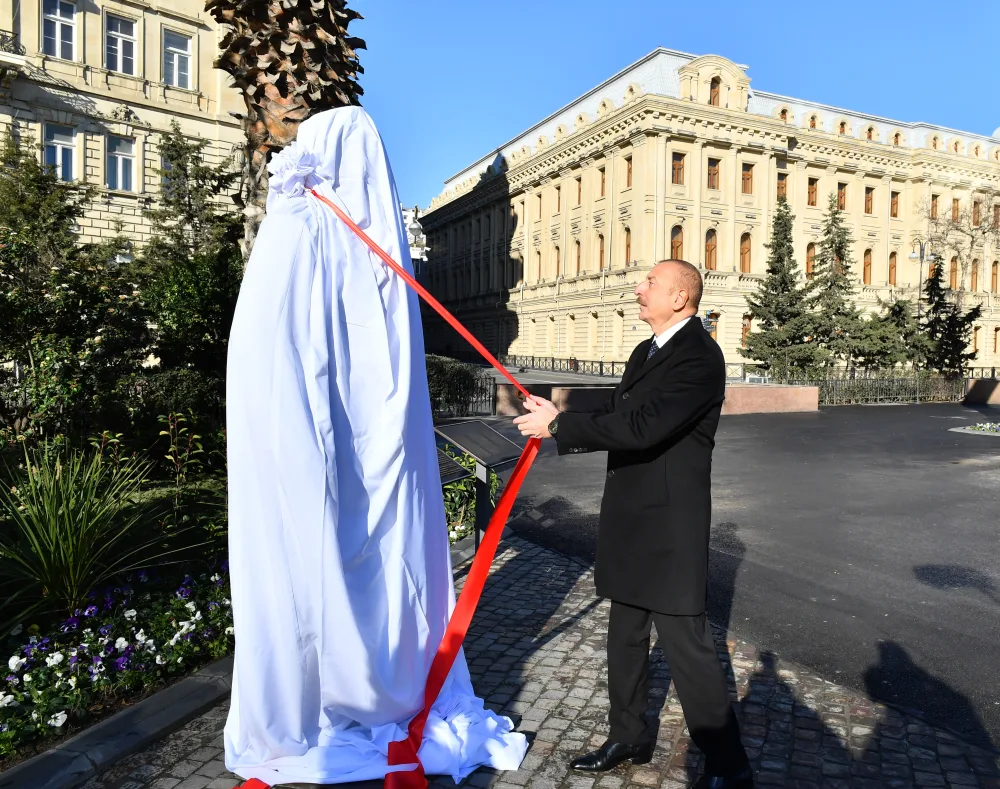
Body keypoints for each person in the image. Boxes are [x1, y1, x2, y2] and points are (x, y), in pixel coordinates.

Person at [224, 106, 527, 787]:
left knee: (331, 537)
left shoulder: (308, 232)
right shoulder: (319, 233)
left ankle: (336, 682)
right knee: (360, 537)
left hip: (313, 433)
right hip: (329, 431)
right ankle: (375, 677)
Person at [513, 259, 752, 789]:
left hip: (670, 524)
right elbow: (625, 405)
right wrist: (556, 409)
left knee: (685, 644)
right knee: (624, 634)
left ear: (680, 299)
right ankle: (629, 735)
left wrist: (560, 426)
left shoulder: (700, 357)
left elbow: (645, 427)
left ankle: (728, 765)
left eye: (650, 284)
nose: (638, 288)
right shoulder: (649, 349)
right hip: (629, 515)